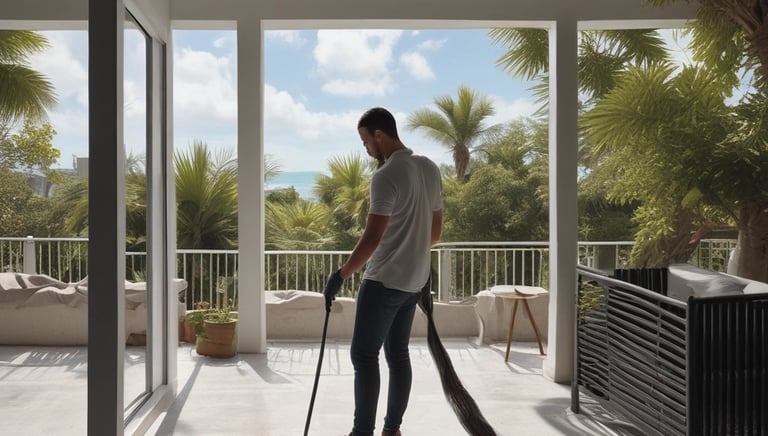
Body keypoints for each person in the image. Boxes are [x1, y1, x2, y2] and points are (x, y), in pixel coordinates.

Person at [323, 107, 443, 436]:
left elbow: (372, 239)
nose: (365, 148)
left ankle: (362, 432)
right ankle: (392, 431)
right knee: (398, 354)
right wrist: (410, 250)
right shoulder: (429, 169)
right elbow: (434, 235)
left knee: (363, 356)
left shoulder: (386, 175)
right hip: (413, 282)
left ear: (379, 135)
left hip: (383, 281)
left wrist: (342, 274)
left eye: (365, 140)